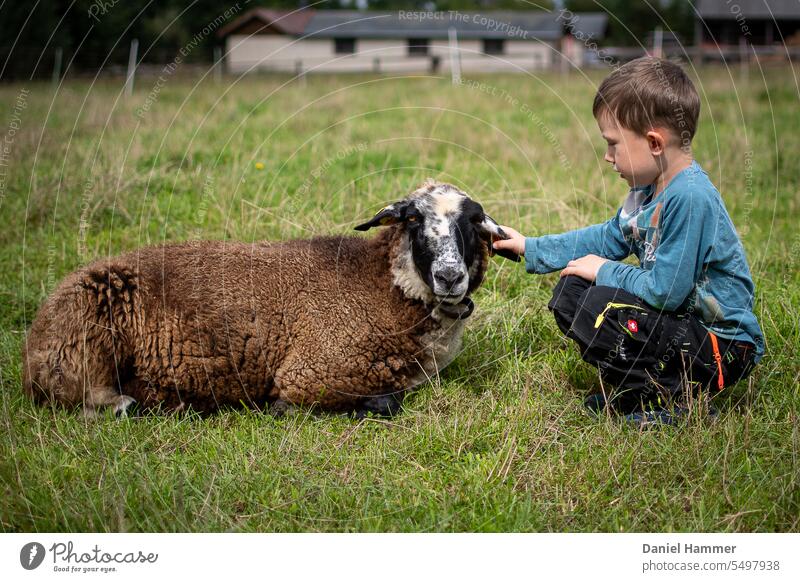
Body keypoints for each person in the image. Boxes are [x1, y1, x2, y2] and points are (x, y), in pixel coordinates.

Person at [493, 57, 764, 426]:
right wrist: (532, 246)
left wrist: (605, 270)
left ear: (654, 142)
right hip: (681, 328)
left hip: (721, 347)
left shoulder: (690, 197)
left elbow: (666, 292)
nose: (607, 157)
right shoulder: (645, 191)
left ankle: (676, 403)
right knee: (573, 291)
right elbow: (606, 238)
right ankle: (639, 389)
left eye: (613, 144)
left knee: (598, 302)